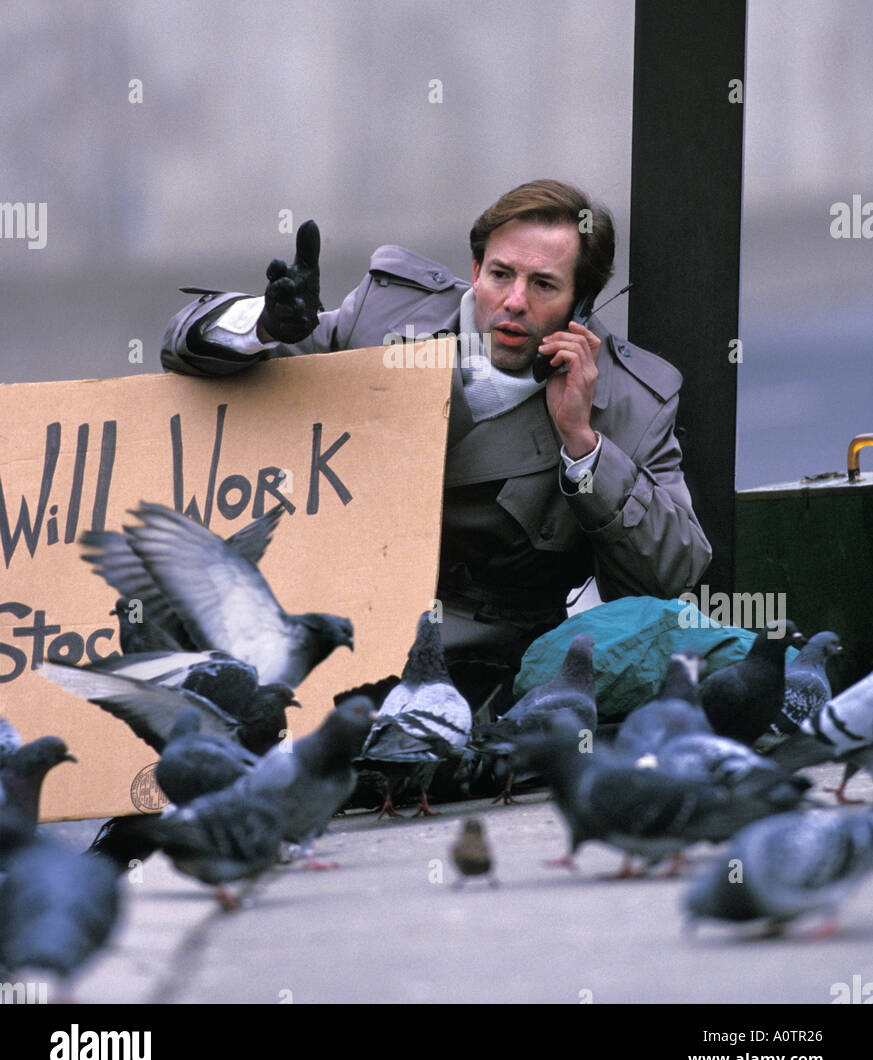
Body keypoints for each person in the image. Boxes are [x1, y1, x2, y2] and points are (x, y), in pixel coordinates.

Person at [161, 179, 711, 713]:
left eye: (543, 285)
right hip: (324, 619)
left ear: (582, 304)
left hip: (471, 665)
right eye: (500, 275)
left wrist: (582, 443)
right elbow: (185, 352)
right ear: (475, 271)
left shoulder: (628, 403)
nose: (513, 302)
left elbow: (672, 573)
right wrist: (262, 325)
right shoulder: (388, 318)